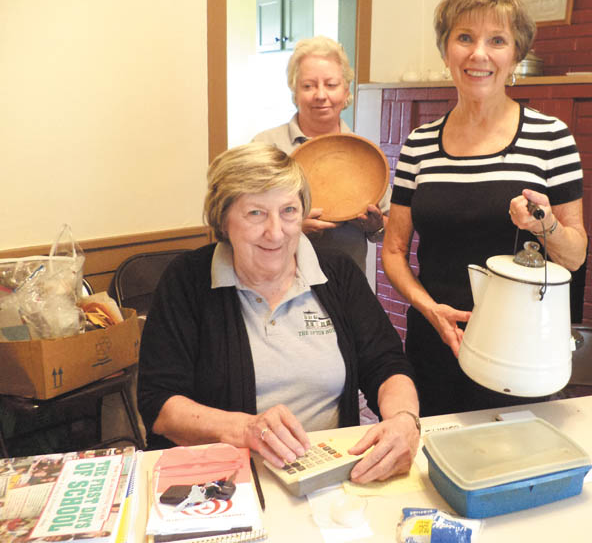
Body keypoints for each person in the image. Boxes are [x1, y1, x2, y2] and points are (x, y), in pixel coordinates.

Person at [137, 144, 420, 483]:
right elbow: (160, 404)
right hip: (223, 481)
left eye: (289, 211)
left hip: (327, 477)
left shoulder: (337, 273)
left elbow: (386, 364)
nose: (276, 232)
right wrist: (246, 429)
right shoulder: (187, 280)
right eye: (255, 213)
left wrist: (405, 420)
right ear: (223, 219)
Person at [382, 0, 588, 417]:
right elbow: (395, 250)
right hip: (435, 334)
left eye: (497, 40)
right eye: (464, 38)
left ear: (515, 56)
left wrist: (543, 224)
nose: (479, 54)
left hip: (519, 342)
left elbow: (574, 255)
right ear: (446, 51)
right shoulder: (419, 144)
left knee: (515, 460)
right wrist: (428, 309)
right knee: (431, 461)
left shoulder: (551, 138)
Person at [251, 36, 388, 274]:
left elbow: (387, 229)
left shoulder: (364, 154)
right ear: (294, 92)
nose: (320, 95)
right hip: (277, 282)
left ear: (346, 92)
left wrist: (374, 226)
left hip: (345, 284)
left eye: (331, 85)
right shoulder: (265, 146)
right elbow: (242, 221)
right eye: (308, 85)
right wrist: (292, 227)